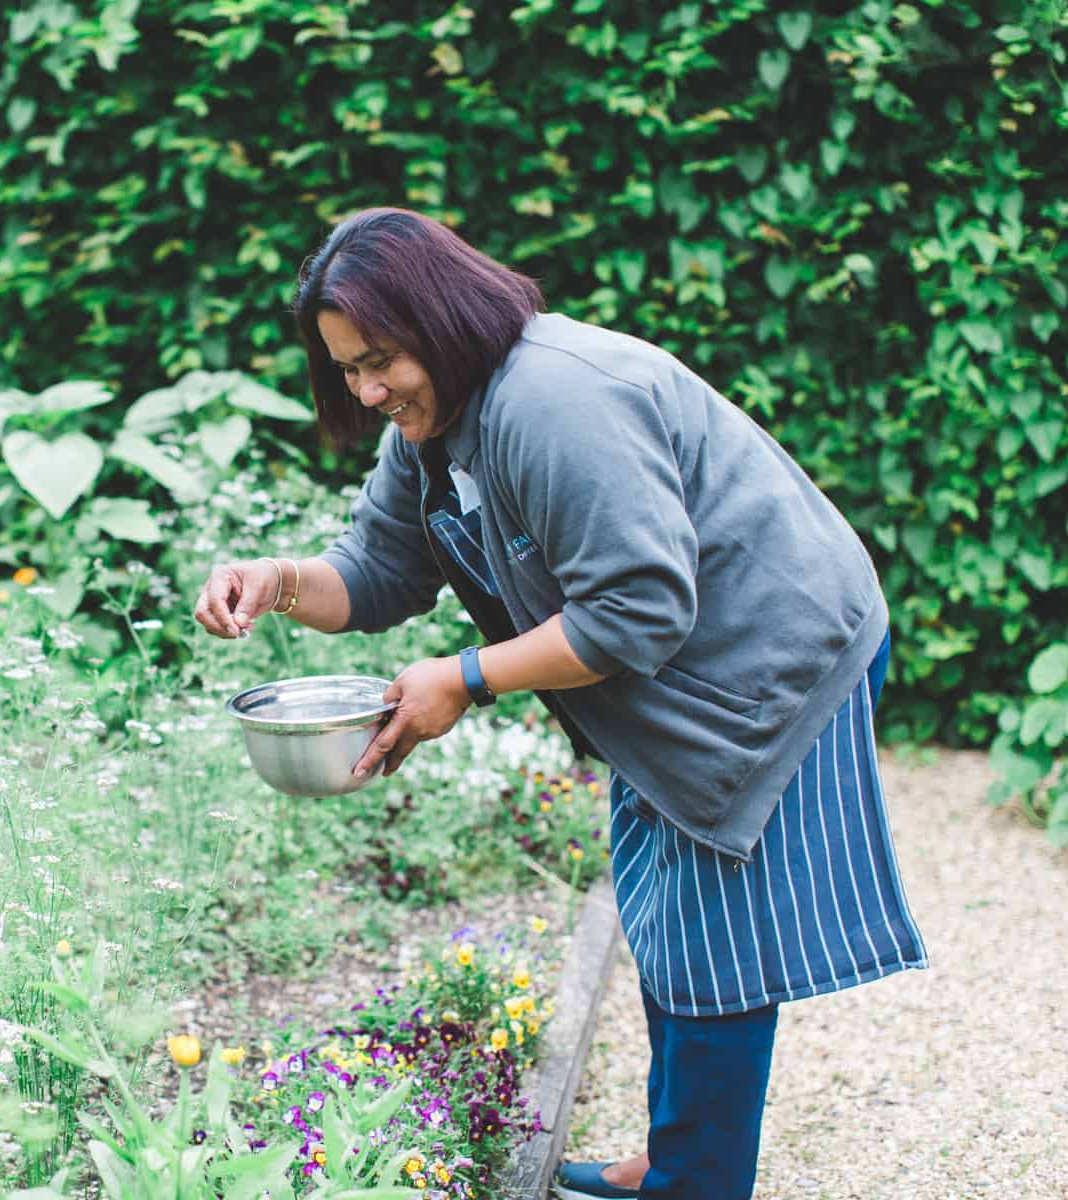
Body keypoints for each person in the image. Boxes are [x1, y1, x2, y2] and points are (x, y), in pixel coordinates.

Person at [191, 207, 928, 1199]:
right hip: (678, 670)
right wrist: (275, 578)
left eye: (379, 359)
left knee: (715, 941)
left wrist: (466, 675)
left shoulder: (552, 401)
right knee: (666, 911)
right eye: (347, 369)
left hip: (774, 655)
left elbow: (640, 611)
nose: (367, 391)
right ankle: (678, 1159)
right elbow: (375, 571)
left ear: (439, 316)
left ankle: (695, 1183)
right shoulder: (435, 423)